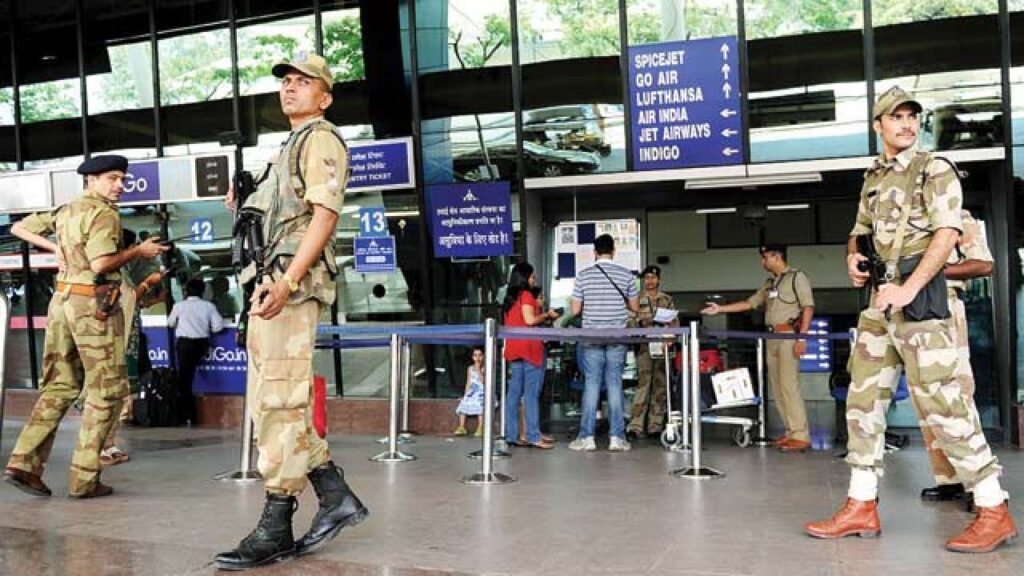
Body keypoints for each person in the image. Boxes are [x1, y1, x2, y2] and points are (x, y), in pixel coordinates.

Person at [805, 86, 1016, 553]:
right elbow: (858, 232)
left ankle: (993, 508)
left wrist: (910, 286)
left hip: (920, 304)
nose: (905, 123)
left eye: (912, 116)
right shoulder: (874, 175)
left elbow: (946, 234)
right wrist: (852, 258)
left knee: (946, 406)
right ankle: (861, 505)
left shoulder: (934, 169)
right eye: (895, 116)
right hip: (880, 305)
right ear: (877, 125)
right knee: (862, 405)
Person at [215, 52, 368, 571]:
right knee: (278, 403)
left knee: (279, 403)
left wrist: (286, 280)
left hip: (287, 291)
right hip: (269, 291)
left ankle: (277, 521)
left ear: (324, 97)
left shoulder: (321, 138)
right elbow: (281, 218)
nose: (291, 88)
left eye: (304, 83)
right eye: (287, 82)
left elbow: (325, 216)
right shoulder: (288, 148)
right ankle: (334, 494)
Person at [3, 155, 168, 499]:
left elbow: (18, 228)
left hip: (61, 301)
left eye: (122, 178)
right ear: (90, 181)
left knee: (59, 386)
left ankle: (23, 463)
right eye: (112, 178)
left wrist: (55, 248)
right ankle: (84, 478)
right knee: (107, 390)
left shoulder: (66, 210)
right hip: (94, 306)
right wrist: (139, 250)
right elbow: (102, 263)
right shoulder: (104, 213)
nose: (120, 185)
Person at [701, 244, 814, 452]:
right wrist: (720, 309)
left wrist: (802, 337)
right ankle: (790, 432)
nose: (763, 262)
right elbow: (750, 303)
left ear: (777, 256)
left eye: (765, 258)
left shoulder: (797, 277)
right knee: (777, 388)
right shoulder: (770, 283)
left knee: (789, 384)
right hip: (770, 336)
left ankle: (801, 434)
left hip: (788, 334)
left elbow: (808, 307)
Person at [569, 234, 639, 452]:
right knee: (615, 384)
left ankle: (587, 437)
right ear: (614, 251)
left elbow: (575, 310)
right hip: (617, 336)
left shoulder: (583, 276)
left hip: (591, 337)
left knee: (591, 385)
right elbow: (635, 308)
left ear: (595, 252)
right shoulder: (626, 275)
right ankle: (617, 437)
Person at [502, 262, 560, 450]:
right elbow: (529, 320)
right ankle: (534, 436)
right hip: (530, 348)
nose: (535, 280)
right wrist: (546, 315)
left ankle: (513, 434)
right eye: (533, 277)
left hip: (513, 347)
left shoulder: (509, 298)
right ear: (525, 278)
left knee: (514, 393)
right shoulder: (526, 295)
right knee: (531, 394)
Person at [626, 265, 677, 439]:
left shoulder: (667, 299)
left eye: (653, 278)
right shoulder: (636, 299)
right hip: (644, 347)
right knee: (643, 386)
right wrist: (644, 322)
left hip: (662, 347)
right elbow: (630, 323)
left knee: (661, 387)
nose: (650, 281)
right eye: (647, 278)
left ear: (659, 279)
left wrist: (670, 340)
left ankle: (655, 425)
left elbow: (674, 324)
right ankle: (636, 425)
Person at [167, 277, 224, 426]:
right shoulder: (209, 306)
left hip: (184, 344)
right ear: (203, 291)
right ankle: (190, 416)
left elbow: (170, 323)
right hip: (201, 344)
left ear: (186, 291)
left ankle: (189, 416)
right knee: (187, 379)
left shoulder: (179, 306)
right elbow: (218, 327)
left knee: (184, 381)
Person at [454, 347, 485, 437]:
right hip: (472, 391)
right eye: (475, 355)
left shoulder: (485, 368)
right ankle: (461, 427)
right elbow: (468, 382)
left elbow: (484, 381)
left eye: (480, 355)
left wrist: (479, 370)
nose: (478, 358)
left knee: (480, 406)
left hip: (482, 391)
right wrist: (465, 394)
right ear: (472, 357)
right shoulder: (470, 368)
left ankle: (480, 427)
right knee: (464, 404)